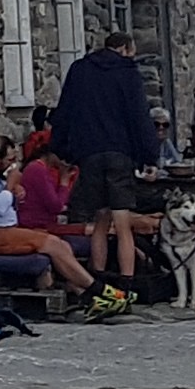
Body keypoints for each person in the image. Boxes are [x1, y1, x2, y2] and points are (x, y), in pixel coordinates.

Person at [0, 134, 120, 314]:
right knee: (51, 243)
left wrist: (15, 192)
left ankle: (86, 297)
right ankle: (100, 290)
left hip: (5, 229)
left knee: (62, 245)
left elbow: (7, 202)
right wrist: (11, 186)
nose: (14, 165)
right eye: (10, 160)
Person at [51, 28, 158, 283]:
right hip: (120, 152)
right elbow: (138, 116)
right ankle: (128, 283)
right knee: (122, 226)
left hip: (89, 152)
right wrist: (150, 156)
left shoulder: (79, 70)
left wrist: (61, 149)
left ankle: (99, 281)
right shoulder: (127, 72)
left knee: (100, 220)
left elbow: (65, 109)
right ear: (125, 49)